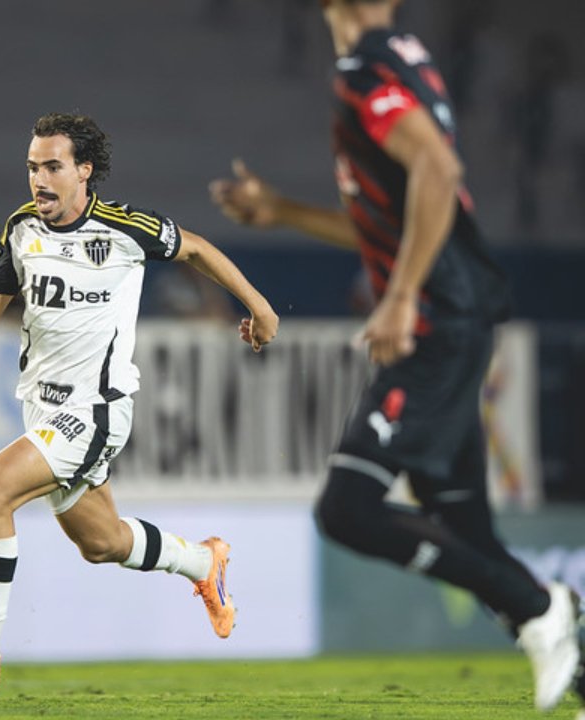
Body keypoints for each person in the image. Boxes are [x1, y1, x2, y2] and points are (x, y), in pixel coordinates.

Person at [208, 1, 581, 713]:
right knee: (464, 524)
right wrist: (282, 211)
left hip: (436, 322)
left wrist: (403, 294)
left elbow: (438, 172)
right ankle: (561, 637)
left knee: (348, 508)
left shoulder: (365, 68)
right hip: (454, 314)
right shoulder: (406, 60)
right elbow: (397, 211)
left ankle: (539, 606)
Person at [0, 112, 279, 689]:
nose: (39, 178)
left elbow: (196, 250)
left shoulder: (124, 227)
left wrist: (259, 306)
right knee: (102, 542)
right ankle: (203, 562)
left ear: (83, 171)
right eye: (33, 166)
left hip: (96, 410)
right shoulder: (20, 228)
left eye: (53, 166)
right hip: (42, 408)